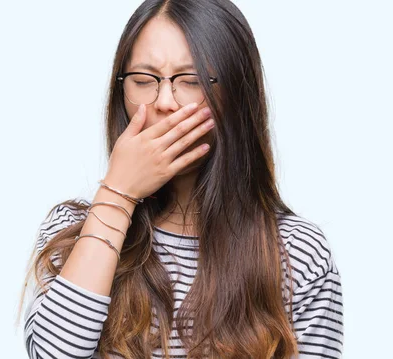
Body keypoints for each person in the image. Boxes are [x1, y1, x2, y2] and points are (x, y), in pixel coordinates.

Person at [17, 1, 344, 358]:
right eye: (143, 80)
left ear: (236, 92)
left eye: (190, 81)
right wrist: (119, 194)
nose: (165, 102)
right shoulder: (75, 232)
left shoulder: (297, 253)